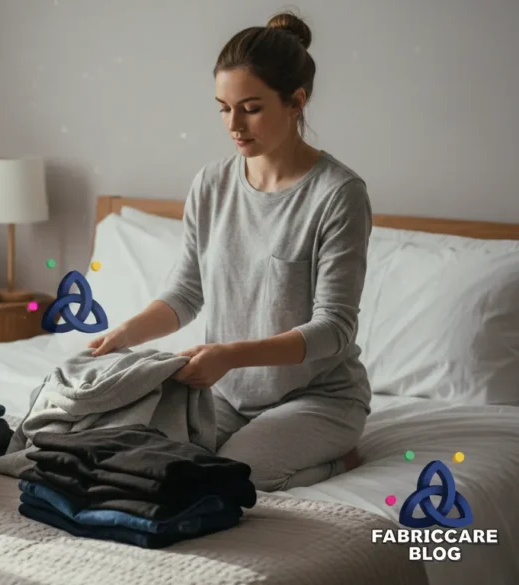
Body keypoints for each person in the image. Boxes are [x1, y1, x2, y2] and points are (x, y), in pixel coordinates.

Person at [88, 12, 371, 492]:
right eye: (223, 107)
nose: (233, 125)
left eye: (251, 108)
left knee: (238, 477)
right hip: (224, 394)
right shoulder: (212, 183)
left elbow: (334, 330)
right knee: (146, 458)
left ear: (296, 101)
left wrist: (229, 355)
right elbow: (186, 292)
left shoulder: (338, 194)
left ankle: (340, 459)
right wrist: (124, 335)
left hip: (318, 398)